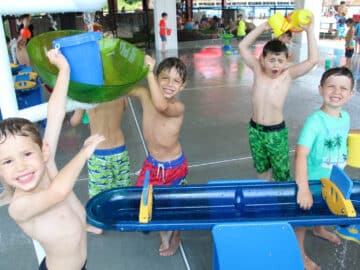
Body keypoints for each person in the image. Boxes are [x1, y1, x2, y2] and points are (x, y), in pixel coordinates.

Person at [0, 49, 105, 270]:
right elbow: (58, 193)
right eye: (7, 161)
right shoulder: (18, 206)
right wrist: (84, 153)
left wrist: (64, 70)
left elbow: (55, 113)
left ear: (43, 152)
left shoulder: (45, 165)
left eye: (27, 154)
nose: (21, 166)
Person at [238, 17, 318, 181]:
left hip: (276, 132)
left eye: (280, 61)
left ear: (286, 61)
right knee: (261, 168)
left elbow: (312, 61)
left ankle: (281, 202)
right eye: (272, 60)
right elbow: (242, 46)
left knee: (281, 173)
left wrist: (310, 32)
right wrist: (263, 26)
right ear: (262, 59)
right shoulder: (257, 69)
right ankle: (264, 197)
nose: (276, 65)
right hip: (255, 130)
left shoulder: (287, 75)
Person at [295, 67, 354, 270]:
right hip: (312, 182)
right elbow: (301, 154)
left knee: (325, 207)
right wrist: (303, 188)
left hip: (332, 179)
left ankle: (319, 229)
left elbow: (345, 135)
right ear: (320, 89)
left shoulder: (345, 117)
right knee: (303, 218)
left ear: (351, 94)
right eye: (331, 86)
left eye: (343, 88)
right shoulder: (314, 122)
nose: (337, 92)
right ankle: (300, 254)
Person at [128, 55, 188, 256]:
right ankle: (163, 232)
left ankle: (175, 237)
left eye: (176, 81)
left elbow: (162, 105)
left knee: (173, 207)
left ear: (183, 86)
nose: (170, 84)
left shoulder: (178, 108)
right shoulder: (146, 95)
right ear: (157, 78)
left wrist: (150, 73)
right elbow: (123, 87)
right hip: (152, 165)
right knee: (142, 201)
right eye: (165, 78)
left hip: (173, 167)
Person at [70, 97, 131, 235]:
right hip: (119, 149)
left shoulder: (86, 97)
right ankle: (122, 215)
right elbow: (124, 107)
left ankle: (97, 223)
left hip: (99, 151)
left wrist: (78, 104)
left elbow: (74, 121)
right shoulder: (119, 93)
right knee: (122, 185)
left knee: (97, 190)